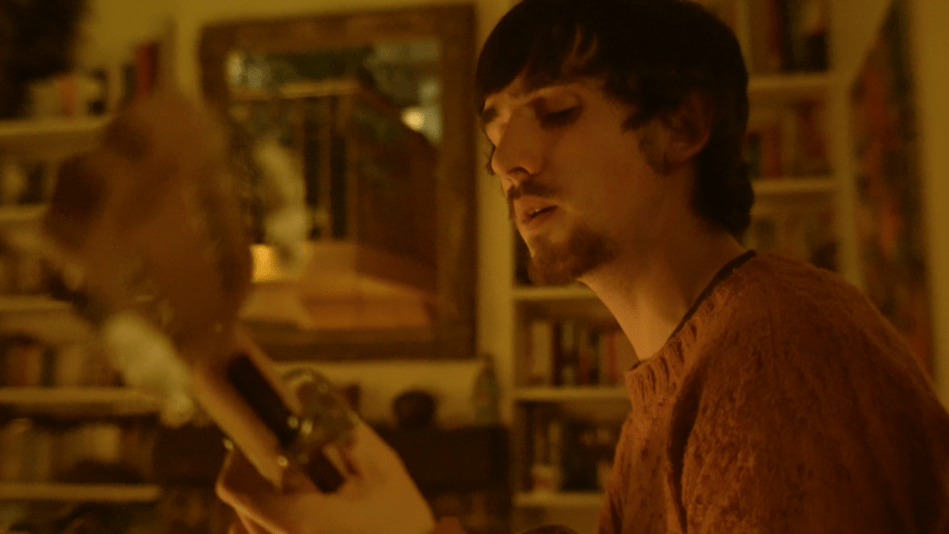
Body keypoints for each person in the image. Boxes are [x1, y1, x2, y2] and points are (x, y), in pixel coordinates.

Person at [215, 0, 949, 533]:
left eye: (558, 113)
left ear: (682, 126)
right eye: (494, 134)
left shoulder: (773, 351)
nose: (505, 163)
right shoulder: (673, 383)